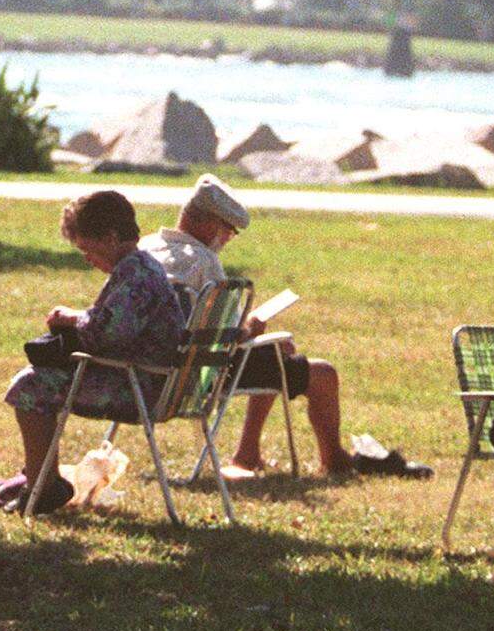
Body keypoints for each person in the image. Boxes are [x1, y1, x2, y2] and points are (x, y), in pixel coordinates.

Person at [141, 174, 407, 478]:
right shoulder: (204, 262)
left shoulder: (146, 248)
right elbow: (227, 337)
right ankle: (333, 460)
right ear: (208, 224)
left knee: (275, 354)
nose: (228, 238)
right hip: (194, 376)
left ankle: (249, 453)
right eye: (228, 230)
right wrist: (251, 328)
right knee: (320, 373)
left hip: (146, 370)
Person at [5, 190, 185, 515]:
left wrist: (73, 320)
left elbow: (106, 337)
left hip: (139, 388)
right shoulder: (141, 267)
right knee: (35, 379)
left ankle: (41, 486)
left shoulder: (136, 277)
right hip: (151, 382)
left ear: (112, 237)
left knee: (28, 386)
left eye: (88, 249)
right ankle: (42, 482)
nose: (86, 258)